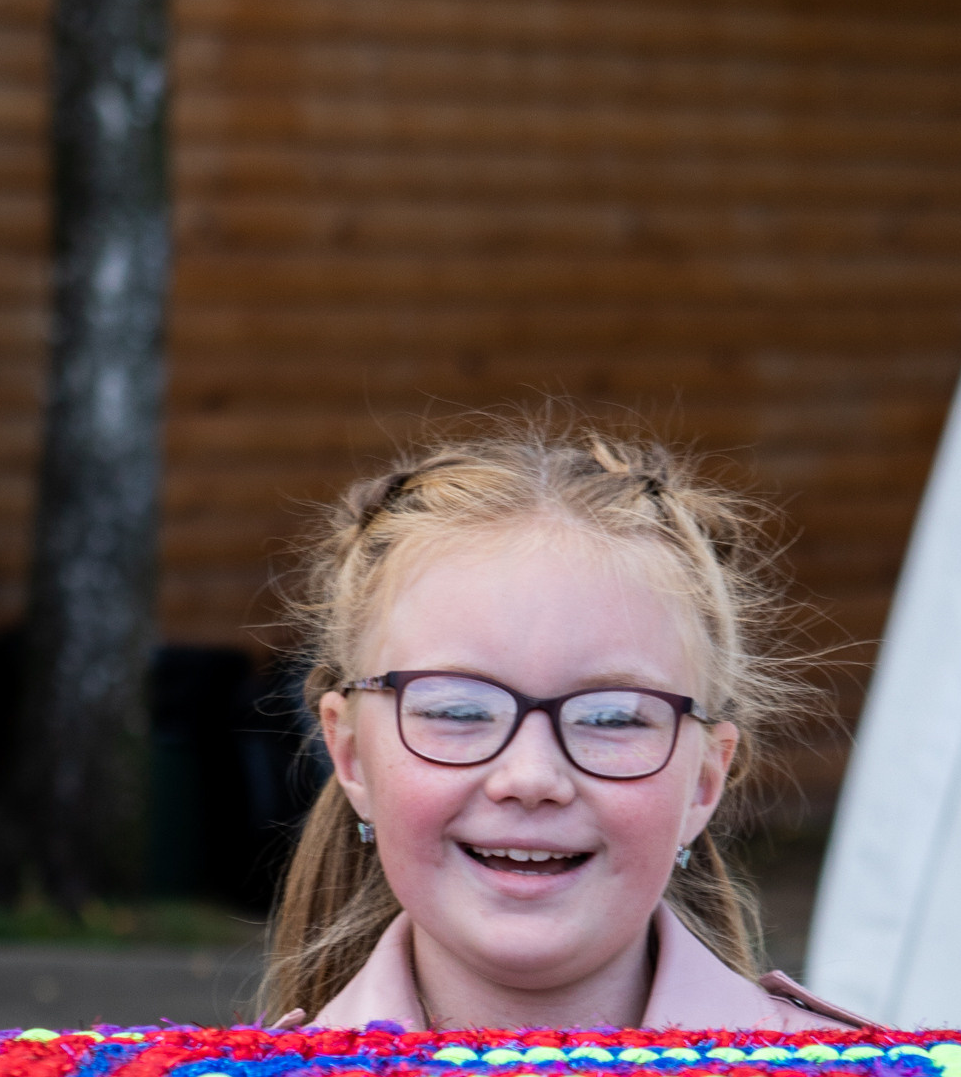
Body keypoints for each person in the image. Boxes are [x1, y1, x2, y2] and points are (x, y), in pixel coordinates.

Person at [258, 420, 865, 1033]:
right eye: (457, 710)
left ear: (705, 781)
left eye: (611, 717)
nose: (531, 777)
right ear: (351, 753)